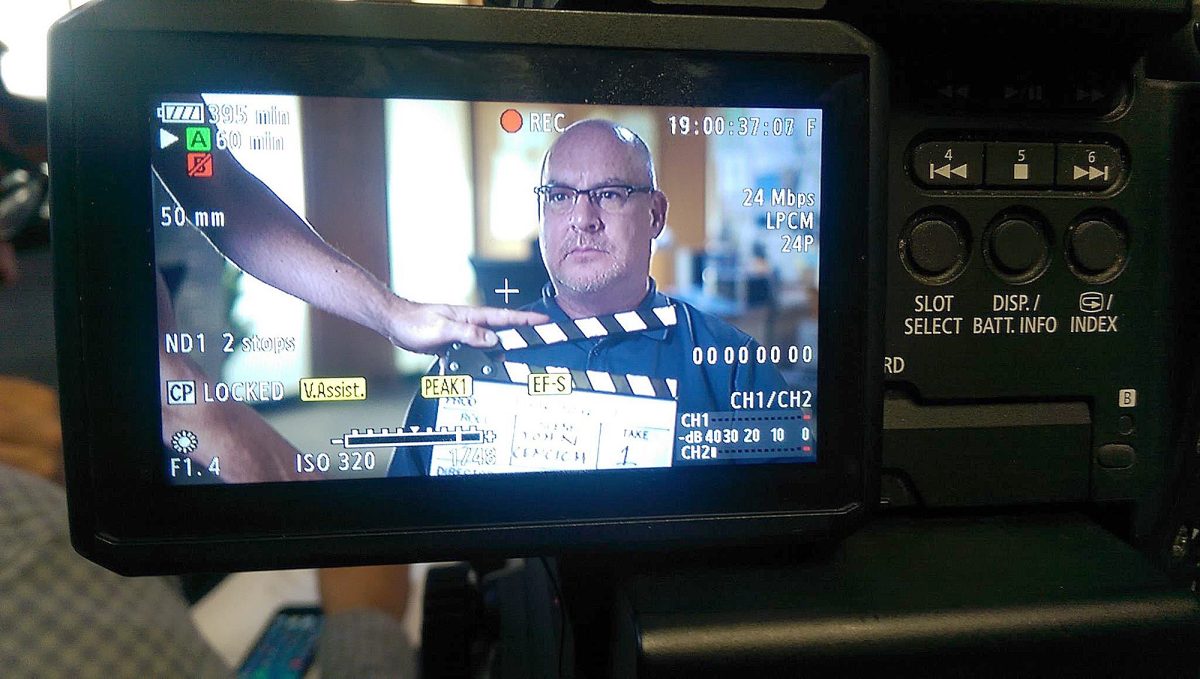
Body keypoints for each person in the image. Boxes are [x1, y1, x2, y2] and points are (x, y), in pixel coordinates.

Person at [390, 119, 791, 475]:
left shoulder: (735, 365)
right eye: (560, 196)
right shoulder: (469, 362)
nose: (582, 219)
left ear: (655, 214)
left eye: (610, 194)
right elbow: (411, 517)